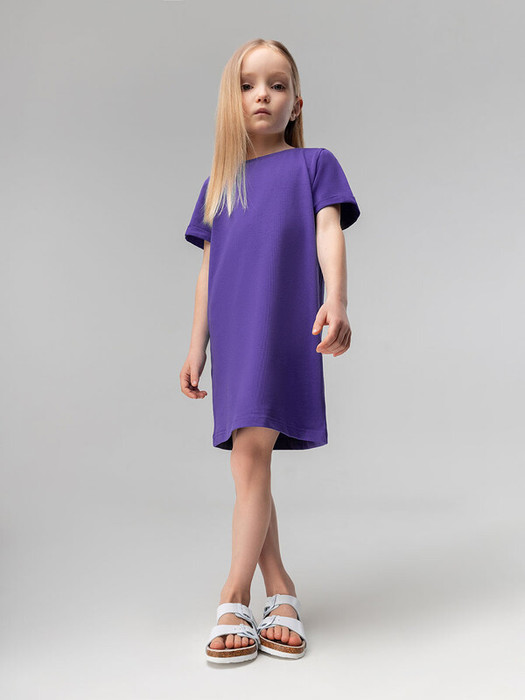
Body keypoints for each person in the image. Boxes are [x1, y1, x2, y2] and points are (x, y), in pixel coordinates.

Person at [180, 38, 361, 663]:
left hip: (281, 327)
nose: (263, 94)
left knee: (251, 456)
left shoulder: (314, 165)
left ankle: (233, 593)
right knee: (248, 465)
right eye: (248, 84)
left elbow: (329, 232)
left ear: (296, 103)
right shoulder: (218, 185)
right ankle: (280, 588)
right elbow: (209, 271)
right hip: (234, 335)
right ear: (231, 102)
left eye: (277, 84)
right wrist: (197, 346)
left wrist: (336, 301)